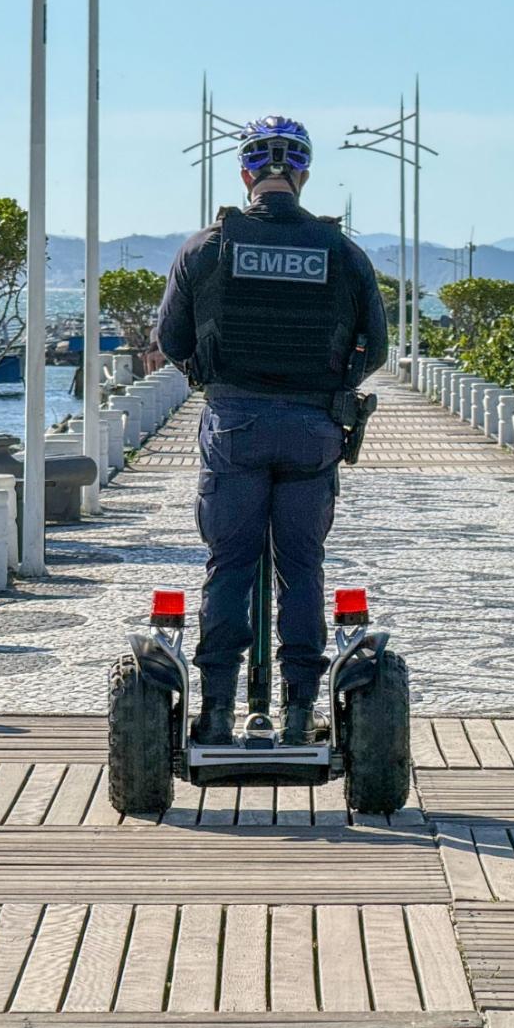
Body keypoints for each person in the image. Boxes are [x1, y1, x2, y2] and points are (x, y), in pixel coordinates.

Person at [156, 115, 387, 747]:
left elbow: (169, 339)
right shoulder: (342, 251)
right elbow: (377, 349)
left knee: (229, 564)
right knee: (302, 567)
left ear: (245, 173)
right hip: (312, 428)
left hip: (235, 425)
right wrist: (330, 383)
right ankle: (296, 710)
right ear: (304, 174)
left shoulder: (208, 246)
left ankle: (217, 713)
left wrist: (212, 374)